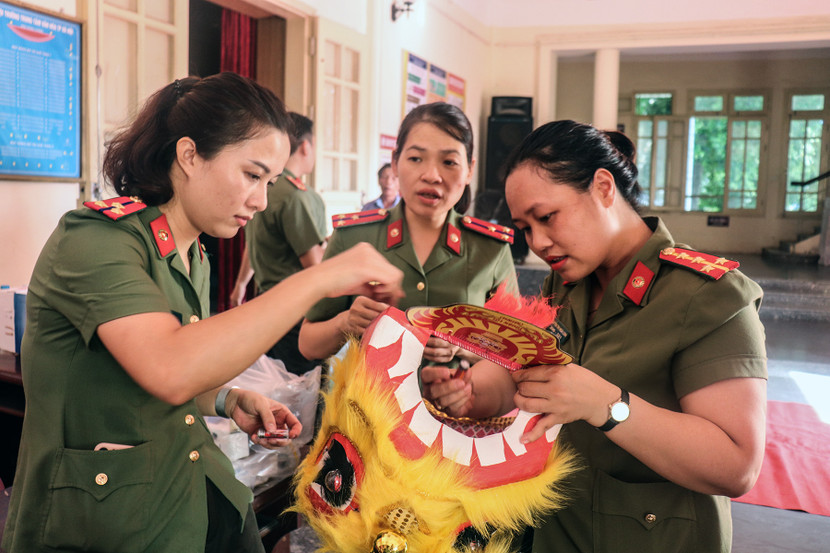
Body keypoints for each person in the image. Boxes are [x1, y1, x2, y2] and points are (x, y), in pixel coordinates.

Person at [1, 72, 403, 553]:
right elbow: (167, 366)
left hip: (179, 494)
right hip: (97, 522)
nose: (261, 201)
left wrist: (228, 400)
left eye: (270, 182)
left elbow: (180, 367)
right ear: (189, 155)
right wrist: (317, 278)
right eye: (252, 175)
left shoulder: (194, 254)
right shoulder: (95, 241)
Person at [421, 120, 768, 552]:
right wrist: (469, 393)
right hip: (557, 532)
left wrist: (608, 406)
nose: (539, 243)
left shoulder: (707, 295)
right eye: (526, 227)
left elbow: (736, 465)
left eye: (547, 217)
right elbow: (528, 380)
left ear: (604, 188)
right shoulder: (566, 284)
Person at [298, 102, 516, 367]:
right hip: (366, 406)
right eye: (415, 159)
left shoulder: (491, 249)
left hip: (459, 406)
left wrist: (463, 347)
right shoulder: (353, 238)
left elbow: (514, 350)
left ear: (469, 170)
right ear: (394, 162)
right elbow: (308, 344)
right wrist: (346, 322)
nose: (432, 175)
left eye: (449, 162)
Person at [230, 112, 326, 375]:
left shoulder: (264, 188)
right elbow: (315, 265)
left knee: (272, 381)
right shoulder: (296, 197)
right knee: (302, 391)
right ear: (306, 146)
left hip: (265, 306)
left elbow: (253, 242)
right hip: (293, 313)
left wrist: (240, 285)